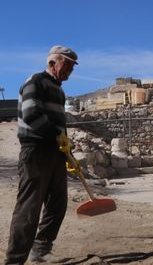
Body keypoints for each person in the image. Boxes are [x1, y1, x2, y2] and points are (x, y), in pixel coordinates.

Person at [5, 46, 78, 265]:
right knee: (29, 208)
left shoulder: (59, 90)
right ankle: (14, 260)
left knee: (58, 205)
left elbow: (59, 125)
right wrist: (57, 136)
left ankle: (41, 250)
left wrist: (67, 153)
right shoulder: (35, 82)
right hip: (36, 151)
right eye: (68, 65)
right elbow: (31, 114)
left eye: (73, 68)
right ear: (52, 63)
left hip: (55, 153)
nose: (70, 71)